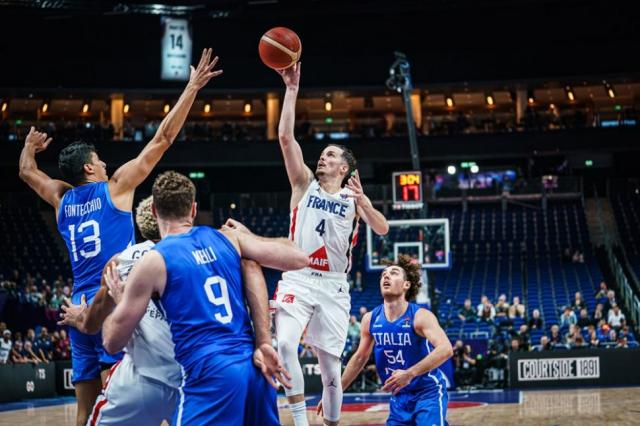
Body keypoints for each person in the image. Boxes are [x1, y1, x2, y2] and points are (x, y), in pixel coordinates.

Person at [18, 49, 222, 426]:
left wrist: (29, 148)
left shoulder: (61, 200)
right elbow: (162, 140)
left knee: (87, 413)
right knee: (141, 397)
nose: (107, 163)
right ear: (89, 167)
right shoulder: (114, 189)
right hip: (115, 298)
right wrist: (192, 87)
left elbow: (28, 173)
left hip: (78, 306)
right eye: (101, 159)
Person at [101, 171, 309, 425]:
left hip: (211, 374)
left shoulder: (153, 261)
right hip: (255, 367)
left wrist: (120, 301)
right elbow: (299, 258)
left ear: (154, 211)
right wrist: (249, 236)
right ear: (193, 209)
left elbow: (112, 342)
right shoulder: (227, 238)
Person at [273, 62, 389, 426]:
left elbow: (382, 229)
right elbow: (286, 139)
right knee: (286, 345)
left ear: (345, 168)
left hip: (334, 287)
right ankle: (300, 421)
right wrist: (291, 89)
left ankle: (331, 423)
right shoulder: (302, 185)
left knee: (331, 373)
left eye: (332, 155)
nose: (323, 156)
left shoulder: (355, 199)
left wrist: (365, 203)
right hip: (297, 278)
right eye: (323, 153)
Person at [319, 255, 452, 426]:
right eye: (383, 274)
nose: (386, 276)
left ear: (407, 285)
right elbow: (360, 358)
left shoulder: (420, 317)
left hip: (427, 392)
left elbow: (446, 349)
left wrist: (410, 373)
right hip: (399, 397)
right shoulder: (370, 319)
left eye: (394, 273)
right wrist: (334, 394)